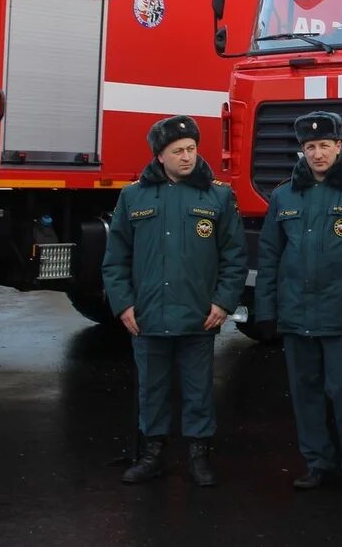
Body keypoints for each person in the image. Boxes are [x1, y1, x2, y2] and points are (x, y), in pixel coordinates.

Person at [102, 115, 247, 487]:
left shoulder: (217, 196)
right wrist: (123, 305)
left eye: (191, 150)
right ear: (160, 156)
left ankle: (199, 457)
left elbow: (234, 256)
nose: (187, 157)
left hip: (199, 317)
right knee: (152, 389)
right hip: (147, 317)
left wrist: (223, 303)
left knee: (199, 390)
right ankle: (152, 455)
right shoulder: (133, 196)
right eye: (177, 151)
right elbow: (115, 259)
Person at [254, 110, 342, 491]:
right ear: (302, 151)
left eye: (324, 145)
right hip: (296, 316)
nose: (317, 154)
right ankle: (317, 463)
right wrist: (266, 311)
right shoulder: (283, 196)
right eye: (310, 147)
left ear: (339, 147)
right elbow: (269, 258)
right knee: (305, 392)